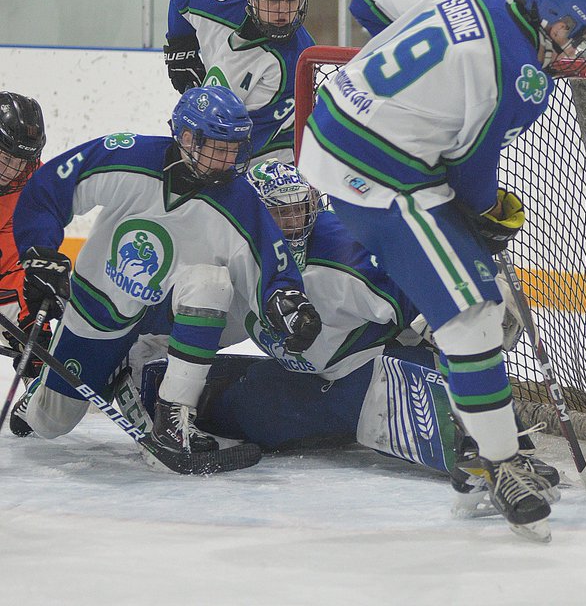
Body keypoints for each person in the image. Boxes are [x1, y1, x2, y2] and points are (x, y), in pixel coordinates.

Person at [297, 0, 586, 542]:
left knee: (482, 298)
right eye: (570, 31)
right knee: (470, 313)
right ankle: (499, 465)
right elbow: (469, 174)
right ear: (547, 13)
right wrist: (488, 211)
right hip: (377, 172)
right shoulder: (523, 77)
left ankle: (478, 442)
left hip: (337, 127)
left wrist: (408, 94)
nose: (569, 49)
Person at [115, 159, 557, 515]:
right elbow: (174, 319)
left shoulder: (348, 255)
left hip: (368, 370)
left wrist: (474, 265)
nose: (289, 224)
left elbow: (447, 300)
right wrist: (115, 350)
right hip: (296, 384)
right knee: (241, 406)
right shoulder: (230, 255)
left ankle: (501, 456)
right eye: (276, 213)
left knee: (430, 384)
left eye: (296, 209)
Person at [10, 86, 321, 473]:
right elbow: (49, 190)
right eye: (218, 146)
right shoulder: (128, 156)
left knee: (213, 283)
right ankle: (43, 396)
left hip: (162, 317)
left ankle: (174, 420)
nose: (229, 158)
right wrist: (40, 254)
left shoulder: (241, 201)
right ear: (187, 137)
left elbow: (271, 263)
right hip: (98, 309)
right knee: (50, 423)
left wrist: (289, 303)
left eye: (235, 148)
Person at [164, 0, 315, 164]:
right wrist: (180, 47)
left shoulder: (298, 59)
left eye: (291, 0)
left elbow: (248, 139)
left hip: (270, 154)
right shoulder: (220, 4)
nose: (283, 10)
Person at [0, 93, 47, 342]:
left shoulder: (31, 186)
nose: (12, 171)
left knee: (41, 345)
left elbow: (18, 262)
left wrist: (31, 319)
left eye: (21, 162)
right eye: (7, 158)